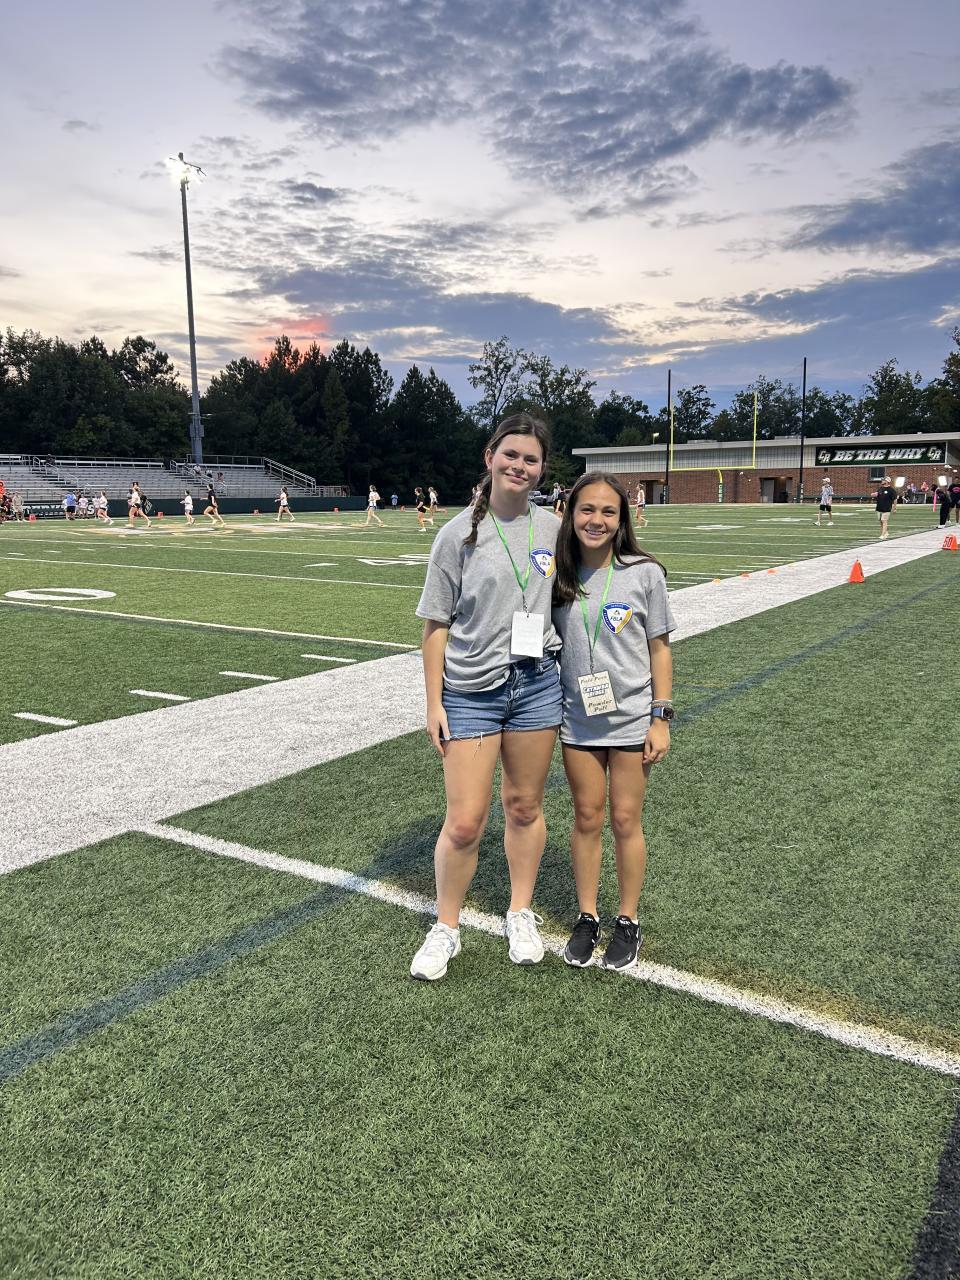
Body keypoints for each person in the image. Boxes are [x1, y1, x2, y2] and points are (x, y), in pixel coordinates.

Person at [410, 413, 562, 981]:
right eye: (511, 454)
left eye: (531, 459)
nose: (519, 466)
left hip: (536, 684)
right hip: (472, 691)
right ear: (490, 457)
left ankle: (519, 911)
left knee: (523, 807)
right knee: (466, 821)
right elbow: (435, 625)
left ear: (542, 469)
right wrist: (434, 703)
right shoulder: (456, 535)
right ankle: (445, 925)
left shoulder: (553, 528)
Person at [551, 473, 674, 971]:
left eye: (608, 511)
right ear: (570, 513)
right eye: (587, 509)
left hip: (631, 718)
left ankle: (628, 919)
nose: (596, 520)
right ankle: (587, 915)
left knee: (625, 819)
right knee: (586, 817)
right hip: (577, 719)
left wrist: (661, 716)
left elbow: (660, 648)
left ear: (622, 519)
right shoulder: (557, 572)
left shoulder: (645, 572)